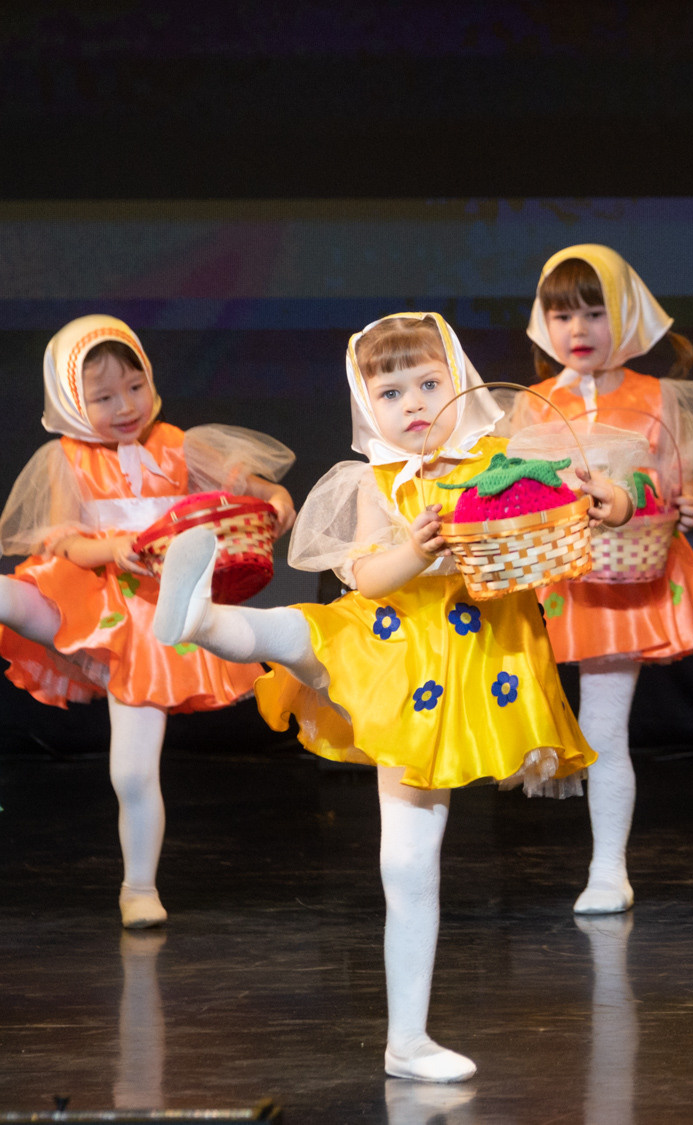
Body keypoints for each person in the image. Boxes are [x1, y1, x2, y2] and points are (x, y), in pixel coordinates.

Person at [151, 312, 631, 1082]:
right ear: (363, 402)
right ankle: (200, 617)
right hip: (382, 645)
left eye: (429, 384)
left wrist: (611, 498)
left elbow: (582, 492)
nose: (413, 403)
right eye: (391, 390)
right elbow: (365, 577)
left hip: (456, 680)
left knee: (408, 865)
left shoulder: (502, 457)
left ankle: (407, 1039)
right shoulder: (372, 482)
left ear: (460, 381)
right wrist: (416, 544)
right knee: (296, 632)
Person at [0, 314, 295, 928]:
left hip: (153, 624)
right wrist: (111, 549)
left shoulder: (179, 444)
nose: (126, 405)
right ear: (71, 401)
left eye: (134, 386)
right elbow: (66, 546)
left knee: (131, 771)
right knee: (18, 600)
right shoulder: (67, 459)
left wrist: (272, 501)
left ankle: (139, 887)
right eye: (103, 397)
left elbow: (259, 492)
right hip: (89, 598)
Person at [524, 244, 693, 915]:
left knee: (602, 726)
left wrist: (681, 502)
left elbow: (670, 488)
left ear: (624, 315)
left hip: (620, 581)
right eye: (562, 314)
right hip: (545, 580)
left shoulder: (655, 398)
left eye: (595, 312)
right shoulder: (531, 404)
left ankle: (607, 867)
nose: (579, 330)